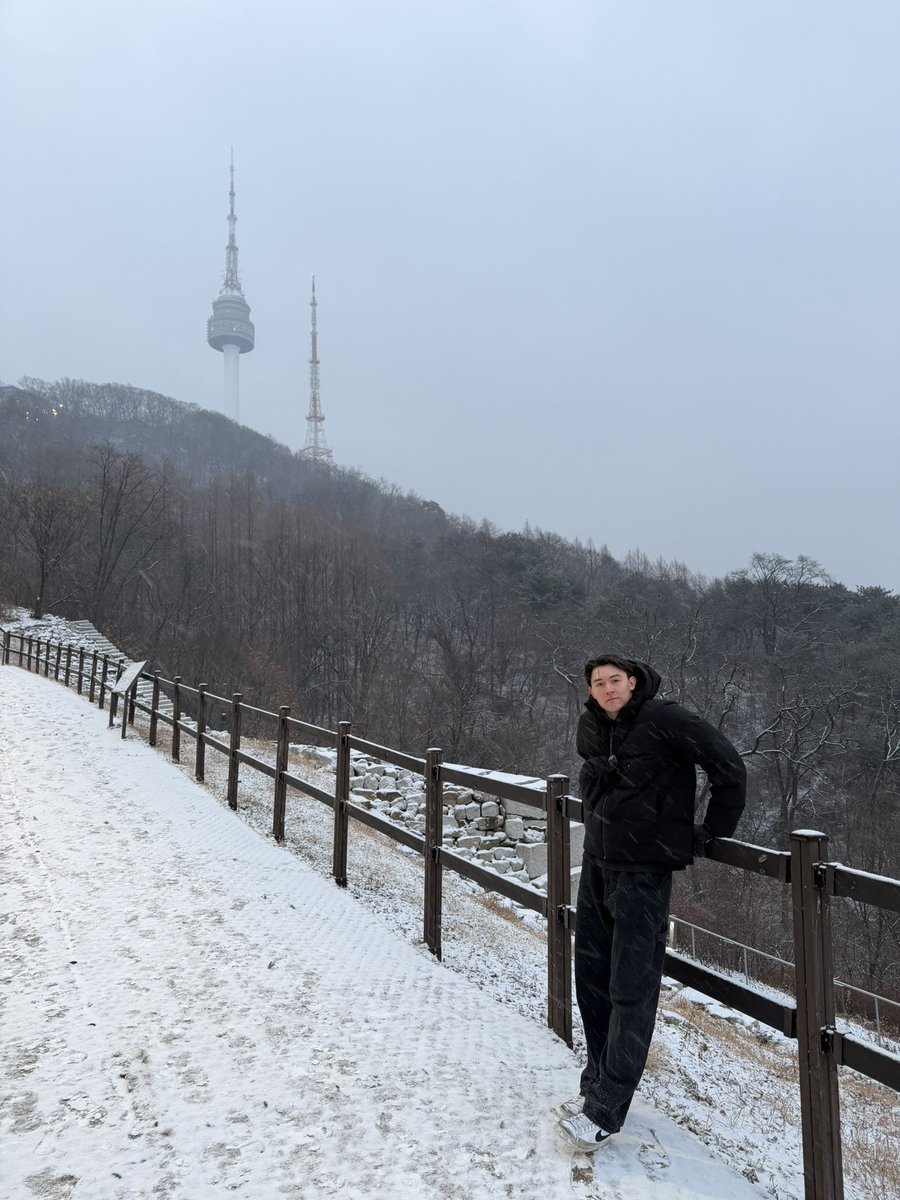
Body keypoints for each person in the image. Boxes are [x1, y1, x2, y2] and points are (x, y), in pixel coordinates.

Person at [557, 654, 746, 1152]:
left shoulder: (667, 719)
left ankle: (606, 1111)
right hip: (597, 864)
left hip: (643, 874)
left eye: (615, 680)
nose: (607, 689)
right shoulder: (595, 727)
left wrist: (711, 834)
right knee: (591, 979)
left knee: (631, 989)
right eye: (598, 683)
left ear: (633, 681)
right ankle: (597, 1080)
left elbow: (727, 765)